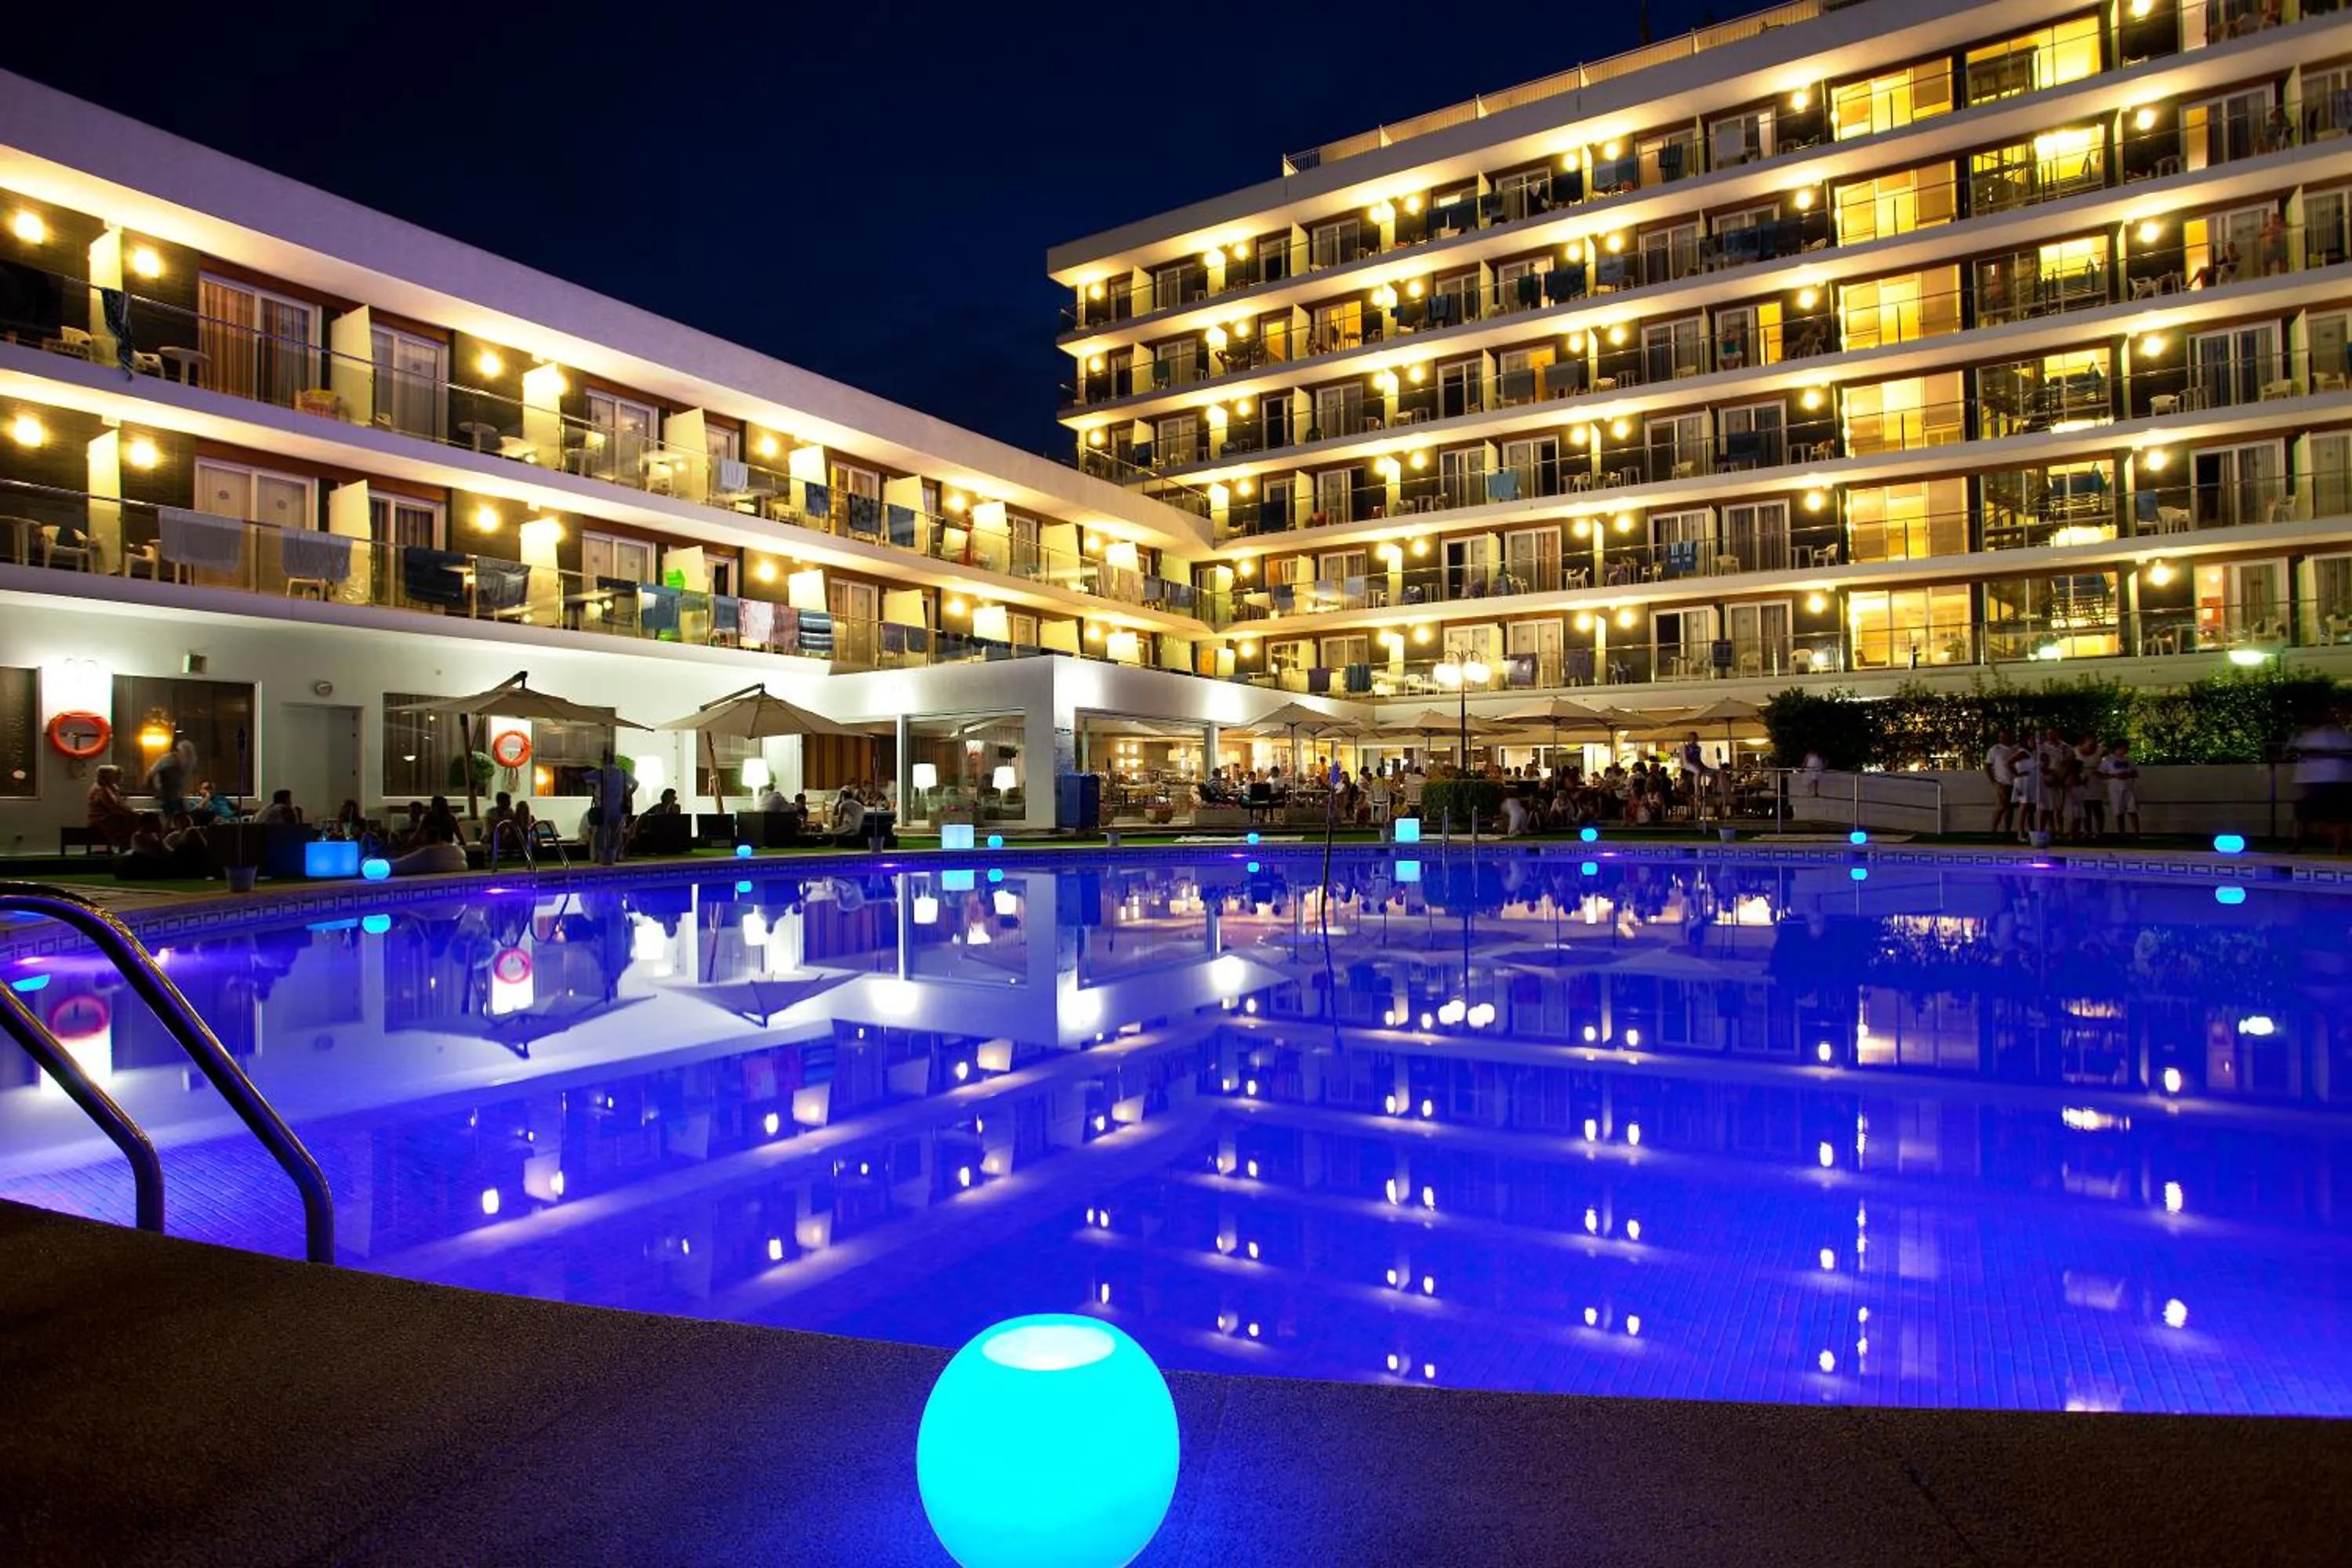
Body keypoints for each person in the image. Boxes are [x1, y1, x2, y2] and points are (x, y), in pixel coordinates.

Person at [2292, 707, 2352, 854]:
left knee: (2334, 815)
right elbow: (2294, 749)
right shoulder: (2305, 735)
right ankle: (2298, 846)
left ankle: (2337, 848)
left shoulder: (2336, 734)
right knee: (2305, 814)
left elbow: (2347, 751)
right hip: (2314, 780)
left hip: (2333, 780)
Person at [583, 749, 636, 866]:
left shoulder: (600, 773)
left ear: (604, 760)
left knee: (601, 834)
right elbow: (636, 784)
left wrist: (594, 787)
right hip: (618, 808)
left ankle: (601, 858)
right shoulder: (622, 773)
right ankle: (612, 858)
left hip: (603, 808)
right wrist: (628, 793)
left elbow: (584, 778)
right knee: (615, 834)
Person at [85, 764, 136, 849]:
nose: (115, 777)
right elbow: (112, 807)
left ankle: (129, 844)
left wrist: (129, 811)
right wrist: (128, 812)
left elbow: (119, 805)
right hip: (101, 818)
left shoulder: (111, 788)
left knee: (134, 817)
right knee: (130, 819)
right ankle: (126, 845)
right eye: (113, 775)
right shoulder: (100, 789)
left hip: (110, 816)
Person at [2099, 740, 2141, 840]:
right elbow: (2100, 773)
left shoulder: (2129, 760)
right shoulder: (2108, 760)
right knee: (2119, 812)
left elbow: (2135, 773)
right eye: (2125, 747)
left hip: (2128, 787)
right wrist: (2113, 776)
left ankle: (2136, 833)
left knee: (2132, 810)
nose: (2127, 749)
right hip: (2115, 788)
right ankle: (2122, 833)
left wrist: (2127, 775)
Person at [145, 739, 195, 818]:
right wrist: (157, 789)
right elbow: (152, 773)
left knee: (181, 813)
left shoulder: (185, 764)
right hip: (166, 793)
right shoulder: (168, 760)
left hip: (174, 794)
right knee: (175, 811)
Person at [1984, 731, 2020, 838]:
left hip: (2014, 782)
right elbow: (1987, 766)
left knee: (2010, 808)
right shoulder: (1995, 750)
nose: (2002, 739)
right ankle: (1993, 830)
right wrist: (1993, 781)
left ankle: (2007, 831)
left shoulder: (2016, 749)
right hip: (2001, 782)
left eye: (2004, 736)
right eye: (2000, 737)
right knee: (2001, 806)